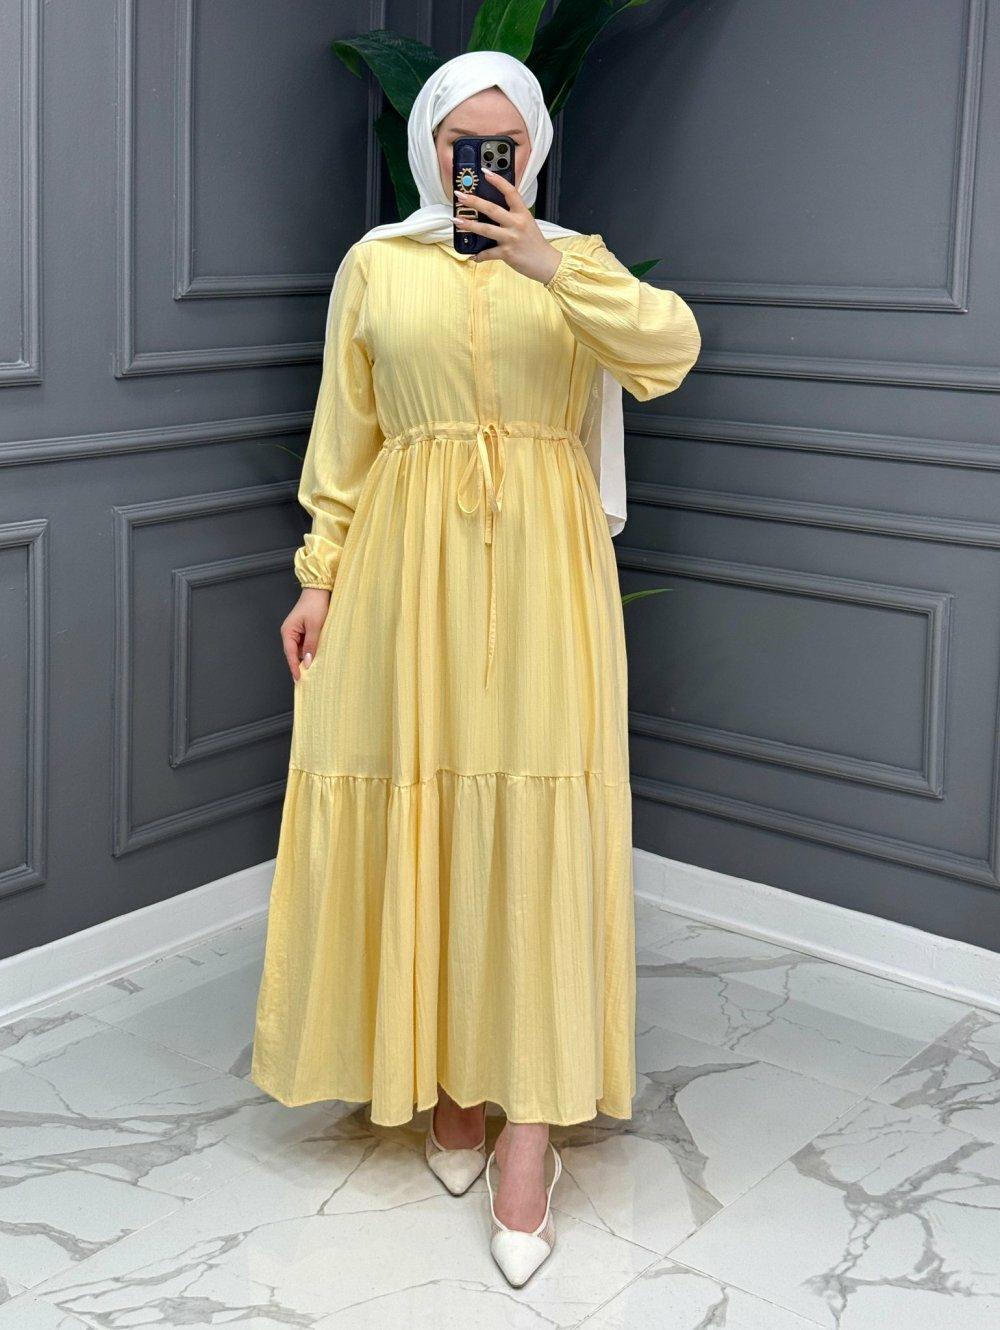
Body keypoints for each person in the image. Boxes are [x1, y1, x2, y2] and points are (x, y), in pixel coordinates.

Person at [250, 49, 701, 1285]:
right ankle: (451, 1089)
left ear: (534, 151)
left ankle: (529, 1130)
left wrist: (544, 260)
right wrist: (318, 573)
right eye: (461, 144)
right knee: (429, 806)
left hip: (545, 574)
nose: (481, 163)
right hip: (404, 575)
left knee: (538, 824)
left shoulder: (577, 261)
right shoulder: (375, 264)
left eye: (504, 143)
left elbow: (669, 350)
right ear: (429, 151)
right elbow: (346, 434)